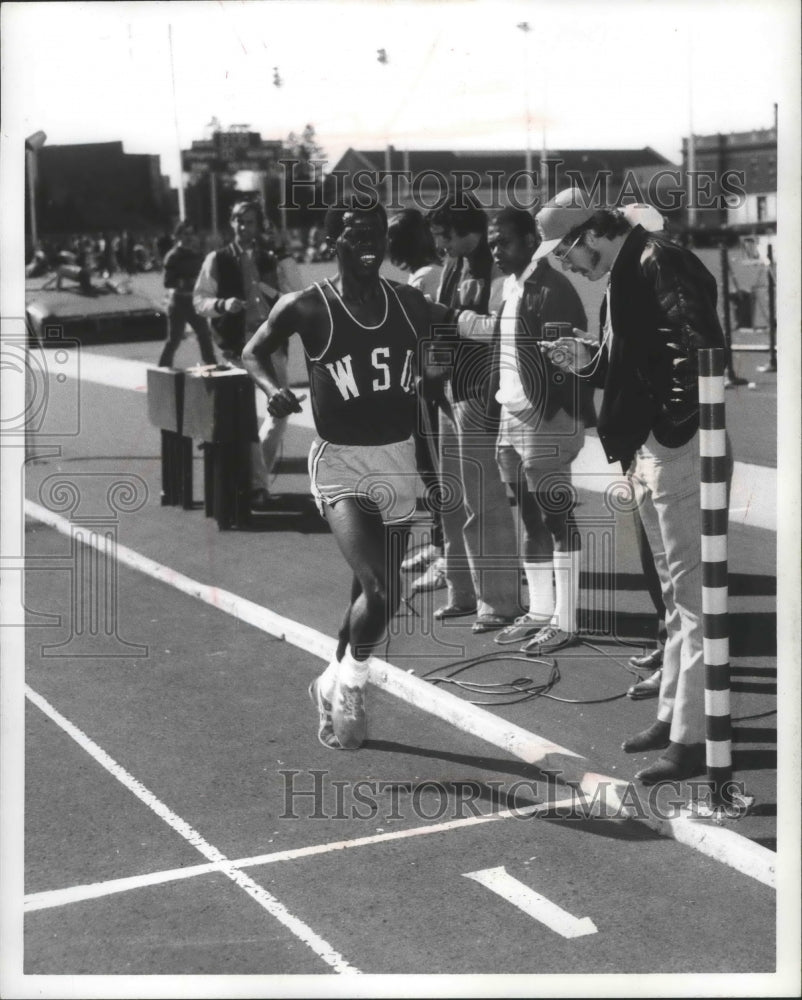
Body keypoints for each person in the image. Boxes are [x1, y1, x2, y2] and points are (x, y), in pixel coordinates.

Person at [536, 187, 729, 784]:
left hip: (674, 446)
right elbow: (648, 353)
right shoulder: (634, 264)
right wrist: (591, 359)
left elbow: (699, 351)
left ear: (593, 231)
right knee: (676, 595)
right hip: (656, 446)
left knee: (691, 597)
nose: (567, 264)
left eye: (567, 251)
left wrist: (667, 431)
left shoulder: (654, 259)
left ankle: (692, 737)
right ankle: (676, 717)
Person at [242, 198, 431, 751]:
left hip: (397, 462)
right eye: (356, 234)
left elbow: (462, 322)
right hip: (341, 462)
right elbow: (254, 351)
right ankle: (352, 683)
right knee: (382, 587)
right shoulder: (307, 306)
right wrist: (272, 388)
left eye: (376, 233)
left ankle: (327, 681)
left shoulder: (408, 302)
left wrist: (522, 334)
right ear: (333, 243)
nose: (369, 243)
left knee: (366, 596)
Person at [455, 207, 589, 653]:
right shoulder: (509, 287)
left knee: (556, 516)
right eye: (492, 243)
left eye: (504, 242)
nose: (496, 250)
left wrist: (548, 416)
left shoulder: (554, 288)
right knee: (529, 516)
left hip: (543, 418)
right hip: (510, 418)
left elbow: (569, 360)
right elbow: (503, 349)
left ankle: (567, 621)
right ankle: (541, 611)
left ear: (532, 241)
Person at [425, 195, 521, 633]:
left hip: (480, 391)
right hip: (448, 389)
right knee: (450, 498)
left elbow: (498, 328)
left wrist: (448, 316)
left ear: (467, 232)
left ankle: (498, 602)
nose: (440, 247)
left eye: (445, 237)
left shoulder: (498, 267)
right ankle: (462, 592)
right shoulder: (453, 265)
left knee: (482, 500)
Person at [194, 200, 304, 510]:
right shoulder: (217, 259)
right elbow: (199, 300)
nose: (245, 228)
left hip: (272, 348)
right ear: (232, 223)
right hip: (235, 351)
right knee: (244, 420)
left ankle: (255, 477)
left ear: (259, 226)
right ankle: (257, 486)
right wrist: (222, 305)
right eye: (241, 222)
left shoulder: (271, 258)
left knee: (279, 416)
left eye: (251, 223)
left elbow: (297, 293)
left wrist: (282, 254)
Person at [387, 208, 446, 585]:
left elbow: (430, 331)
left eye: (391, 237)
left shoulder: (428, 277)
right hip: (423, 379)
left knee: (436, 469)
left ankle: (449, 553)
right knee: (428, 466)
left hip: (431, 382)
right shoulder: (421, 274)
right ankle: (442, 543)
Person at [158, 221, 217, 369]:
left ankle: (212, 365)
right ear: (178, 236)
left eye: (192, 234)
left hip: (194, 301)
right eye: (186, 234)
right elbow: (168, 281)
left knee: (204, 334)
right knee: (174, 338)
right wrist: (187, 282)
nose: (189, 237)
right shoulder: (173, 256)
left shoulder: (197, 254)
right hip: (178, 302)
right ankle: (163, 368)